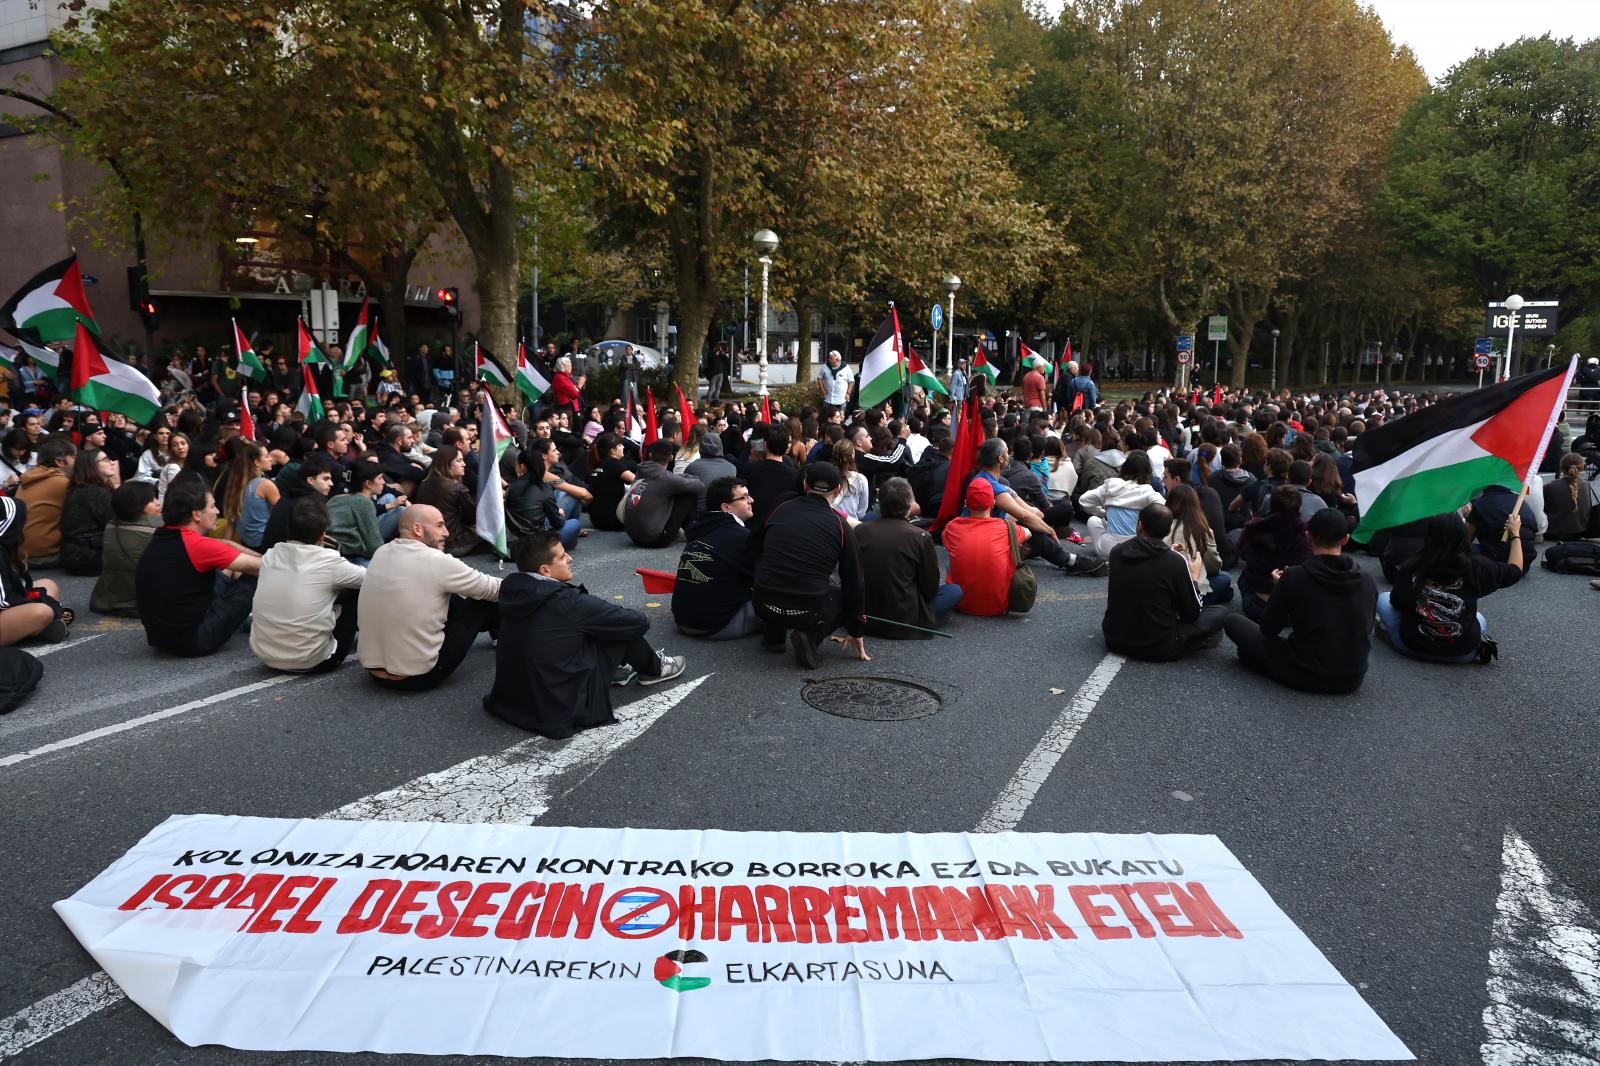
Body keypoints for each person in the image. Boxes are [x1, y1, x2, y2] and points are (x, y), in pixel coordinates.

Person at [483, 529, 687, 738]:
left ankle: (618, 671)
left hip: (512, 701)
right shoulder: (567, 601)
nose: (570, 558)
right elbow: (638, 622)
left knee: (584, 627)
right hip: (560, 709)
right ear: (545, 570)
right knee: (619, 625)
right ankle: (654, 669)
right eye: (562, 557)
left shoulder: (513, 590)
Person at [1223, 507, 1378, 693]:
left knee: (1233, 622)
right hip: (1352, 679)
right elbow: (1366, 628)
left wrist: (1280, 589)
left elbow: (1268, 629)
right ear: (1345, 539)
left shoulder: (1295, 576)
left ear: (1308, 536)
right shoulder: (1367, 580)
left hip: (1304, 672)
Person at [357, 504, 501, 690]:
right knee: (484, 599)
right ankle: (507, 637)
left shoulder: (381, 552)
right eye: (440, 525)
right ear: (418, 529)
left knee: (446, 592)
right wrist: (532, 579)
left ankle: (496, 628)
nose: (447, 532)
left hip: (374, 673)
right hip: (419, 677)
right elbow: (494, 589)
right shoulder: (436, 560)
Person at [749, 461, 868, 668]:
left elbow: (752, 545)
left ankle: (774, 637)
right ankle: (811, 637)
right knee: (842, 593)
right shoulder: (840, 525)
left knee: (778, 574)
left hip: (763, 603)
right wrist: (856, 628)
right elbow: (854, 581)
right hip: (807, 612)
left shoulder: (780, 508)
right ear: (837, 490)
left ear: (805, 484)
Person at [134, 481, 261, 656]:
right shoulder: (197, 545)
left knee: (228, 567)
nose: (217, 511)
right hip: (194, 640)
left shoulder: (165, 534)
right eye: (212, 506)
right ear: (196, 515)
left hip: (161, 637)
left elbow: (223, 546)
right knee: (254, 576)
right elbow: (264, 566)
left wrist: (228, 544)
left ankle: (244, 617)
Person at [1378, 510, 1523, 664]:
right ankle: (1476, 641)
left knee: (1383, 598)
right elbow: (1515, 570)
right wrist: (1515, 534)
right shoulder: (1477, 567)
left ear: (1429, 537)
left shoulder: (1414, 565)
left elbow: (1396, 601)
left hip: (1411, 647)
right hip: (1462, 653)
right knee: (1479, 618)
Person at [250, 495, 366, 672]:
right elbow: (372, 579)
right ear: (322, 535)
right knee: (356, 589)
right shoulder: (329, 561)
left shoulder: (271, 555)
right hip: (312, 660)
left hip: (265, 655)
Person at [1101, 503, 1226, 662]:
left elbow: (1145, 570)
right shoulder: (1175, 561)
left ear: (1140, 525)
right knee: (1220, 612)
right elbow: (1191, 614)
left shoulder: (1117, 552)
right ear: (1167, 531)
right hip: (1158, 646)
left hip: (1114, 639)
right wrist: (1194, 577)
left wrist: (1171, 555)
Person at [971, 438, 1103, 574]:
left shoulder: (987, 479)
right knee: (1034, 533)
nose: (1009, 455)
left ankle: (1053, 553)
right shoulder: (992, 486)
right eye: (1006, 452)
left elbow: (1027, 511)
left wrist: (1038, 523)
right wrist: (1049, 530)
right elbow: (1024, 514)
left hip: (986, 533)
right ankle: (1071, 561)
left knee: (1032, 526)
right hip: (986, 540)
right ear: (1000, 458)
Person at [857, 477, 960, 636]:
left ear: (879, 503)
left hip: (865, 613)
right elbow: (930, 588)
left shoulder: (861, 530)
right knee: (954, 591)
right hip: (905, 617)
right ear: (908, 506)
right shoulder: (921, 536)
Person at [672, 477, 760, 640]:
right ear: (726, 507)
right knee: (778, 600)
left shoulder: (699, 528)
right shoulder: (740, 537)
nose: (751, 500)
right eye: (744, 497)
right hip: (717, 625)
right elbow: (763, 579)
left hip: (683, 619)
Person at [940, 478, 1023, 617]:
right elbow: (1028, 533)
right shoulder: (1005, 527)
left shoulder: (952, 526)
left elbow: (946, 540)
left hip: (960, 604)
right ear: (993, 504)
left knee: (952, 558)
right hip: (999, 606)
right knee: (1011, 548)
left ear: (966, 504)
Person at [0, 496, 71, 645]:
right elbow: (6, 603)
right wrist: (52, 607)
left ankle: (36, 629)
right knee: (42, 612)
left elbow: (17, 592)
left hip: (7, 603)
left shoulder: (4, 550)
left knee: (47, 584)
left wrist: (42, 600)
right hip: (4, 604)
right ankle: (40, 628)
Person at [1236, 485, 1312, 622]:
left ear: (1271, 504)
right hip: (1296, 610)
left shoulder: (1254, 528)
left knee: (1243, 578)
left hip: (1259, 606)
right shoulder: (1307, 533)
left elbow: (1243, 553)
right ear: (1299, 507)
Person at [92, 481, 162, 616]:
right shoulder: (157, 527)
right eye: (151, 500)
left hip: (107, 600)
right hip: (145, 602)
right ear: (137, 505)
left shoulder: (111, 525)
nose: (158, 503)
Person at [1078, 449, 1163, 559]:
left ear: (1124, 468)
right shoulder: (1147, 491)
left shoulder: (1111, 485)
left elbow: (1084, 501)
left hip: (1107, 550)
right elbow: (1163, 508)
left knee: (1093, 520)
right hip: (1134, 550)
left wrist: (1103, 513)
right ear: (1148, 472)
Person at [624, 440, 706, 548]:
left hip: (633, 536)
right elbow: (699, 485)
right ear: (671, 457)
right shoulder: (667, 478)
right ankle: (694, 531)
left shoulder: (641, 470)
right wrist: (687, 476)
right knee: (687, 494)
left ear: (650, 455)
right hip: (654, 540)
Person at [260, 451, 339, 553]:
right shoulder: (313, 501)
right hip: (286, 556)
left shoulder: (290, 494)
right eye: (326, 479)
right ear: (311, 480)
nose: (331, 483)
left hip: (271, 553)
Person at [58, 448, 119, 576]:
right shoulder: (96, 493)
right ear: (92, 465)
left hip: (75, 554)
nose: (112, 462)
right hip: (89, 557)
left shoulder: (82, 489)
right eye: (106, 460)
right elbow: (118, 524)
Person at [506, 449, 582, 549]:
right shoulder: (544, 488)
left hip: (513, 543)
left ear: (523, 466)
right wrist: (560, 514)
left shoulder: (511, 487)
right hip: (536, 545)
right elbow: (557, 523)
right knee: (575, 524)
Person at [18, 435, 75, 567]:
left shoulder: (27, 479)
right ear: (60, 462)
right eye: (73, 457)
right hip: (43, 555)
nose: (77, 461)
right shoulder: (62, 483)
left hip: (18, 553)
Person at [414, 445, 481, 556]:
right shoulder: (457, 488)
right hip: (451, 543)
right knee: (488, 521)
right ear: (447, 464)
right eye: (459, 461)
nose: (464, 464)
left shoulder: (424, 483)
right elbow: (473, 518)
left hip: (425, 540)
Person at [327, 459, 393, 563]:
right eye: (380, 478)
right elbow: (374, 547)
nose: (383, 482)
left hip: (324, 550)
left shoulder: (335, 498)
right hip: (343, 557)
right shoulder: (365, 502)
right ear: (368, 483)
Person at [219, 440, 279, 551]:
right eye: (266, 456)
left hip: (246, 543)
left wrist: (226, 550)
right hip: (266, 544)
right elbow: (282, 514)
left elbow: (231, 522)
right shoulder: (265, 485)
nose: (271, 459)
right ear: (257, 462)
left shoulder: (236, 485)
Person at [740, 424, 803, 529]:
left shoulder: (748, 469)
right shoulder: (795, 475)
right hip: (780, 528)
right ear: (787, 446)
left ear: (765, 444)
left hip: (752, 527)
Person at [586, 432, 637, 532]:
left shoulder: (599, 463)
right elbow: (637, 480)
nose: (623, 447)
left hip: (596, 519)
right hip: (612, 520)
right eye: (620, 445)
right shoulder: (613, 463)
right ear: (613, 451)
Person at [1542, 452, 1593, 541]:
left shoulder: (1550, 487)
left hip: (1554, 533)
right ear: (1581, 467)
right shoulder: (1586, 484)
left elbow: (1542, 508)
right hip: (1581, 532)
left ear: (1561, 468)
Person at [816, 350, 854, 415]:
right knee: (826, 417)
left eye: (831, 358)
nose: (829, 360)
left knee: (840, 418)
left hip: (841, 399)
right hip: (828, 399)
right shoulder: (825, 367)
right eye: (829, 358)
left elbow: (851, 381)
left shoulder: (846, 368)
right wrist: (822, 391)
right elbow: (819, 379)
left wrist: (848, 393)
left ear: (837, 359)